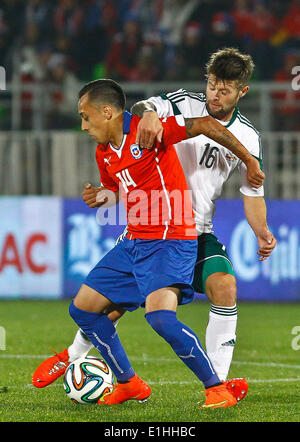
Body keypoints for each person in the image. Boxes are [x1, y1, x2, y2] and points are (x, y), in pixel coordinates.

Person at [32, 77, 263, 408]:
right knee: (83, 310)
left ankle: (216, 387)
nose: (83, 125)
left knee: (160, 318)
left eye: (85, 116)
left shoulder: (148, 130)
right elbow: (118, 189)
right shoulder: (104, 153)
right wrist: (103, 195)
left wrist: (248, 159)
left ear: (107, 111)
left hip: (171, 238)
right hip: (134, 241)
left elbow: (206, 124)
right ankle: (128, 383)